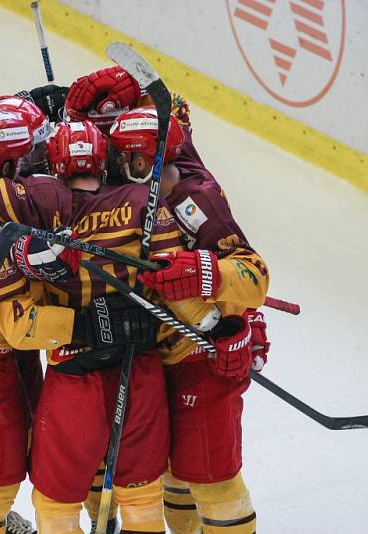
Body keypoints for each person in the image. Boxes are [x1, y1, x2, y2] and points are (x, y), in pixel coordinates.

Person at [0, 107, 153, 534]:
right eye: (22, 158)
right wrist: (88, 326)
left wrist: (29, 109)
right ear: (2, 165)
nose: (31, 165)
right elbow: (21, 328)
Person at [104, 103, 271, 534]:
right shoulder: (141, 188)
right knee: (174, 474)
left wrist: (207, 273)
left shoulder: (197, 200)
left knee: (212, 478)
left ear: (143, 160)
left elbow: (254, 275)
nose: (113, 166)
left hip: (203, 357)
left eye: (122, 157)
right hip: (159, 354)